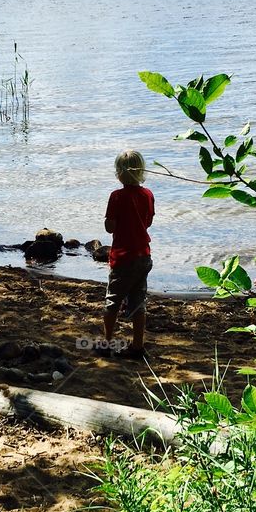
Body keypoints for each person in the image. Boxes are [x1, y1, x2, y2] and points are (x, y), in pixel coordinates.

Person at [102, 149, 154, 358]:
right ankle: (137, 346)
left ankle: (107, 341)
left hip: (123, 257)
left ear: (119, 173)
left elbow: (110, 227)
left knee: (113, 301)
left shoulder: (116, 196)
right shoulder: (148, 195)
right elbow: (148, 222)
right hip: (143, 256)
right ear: (141, 171)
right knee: (138, 301)